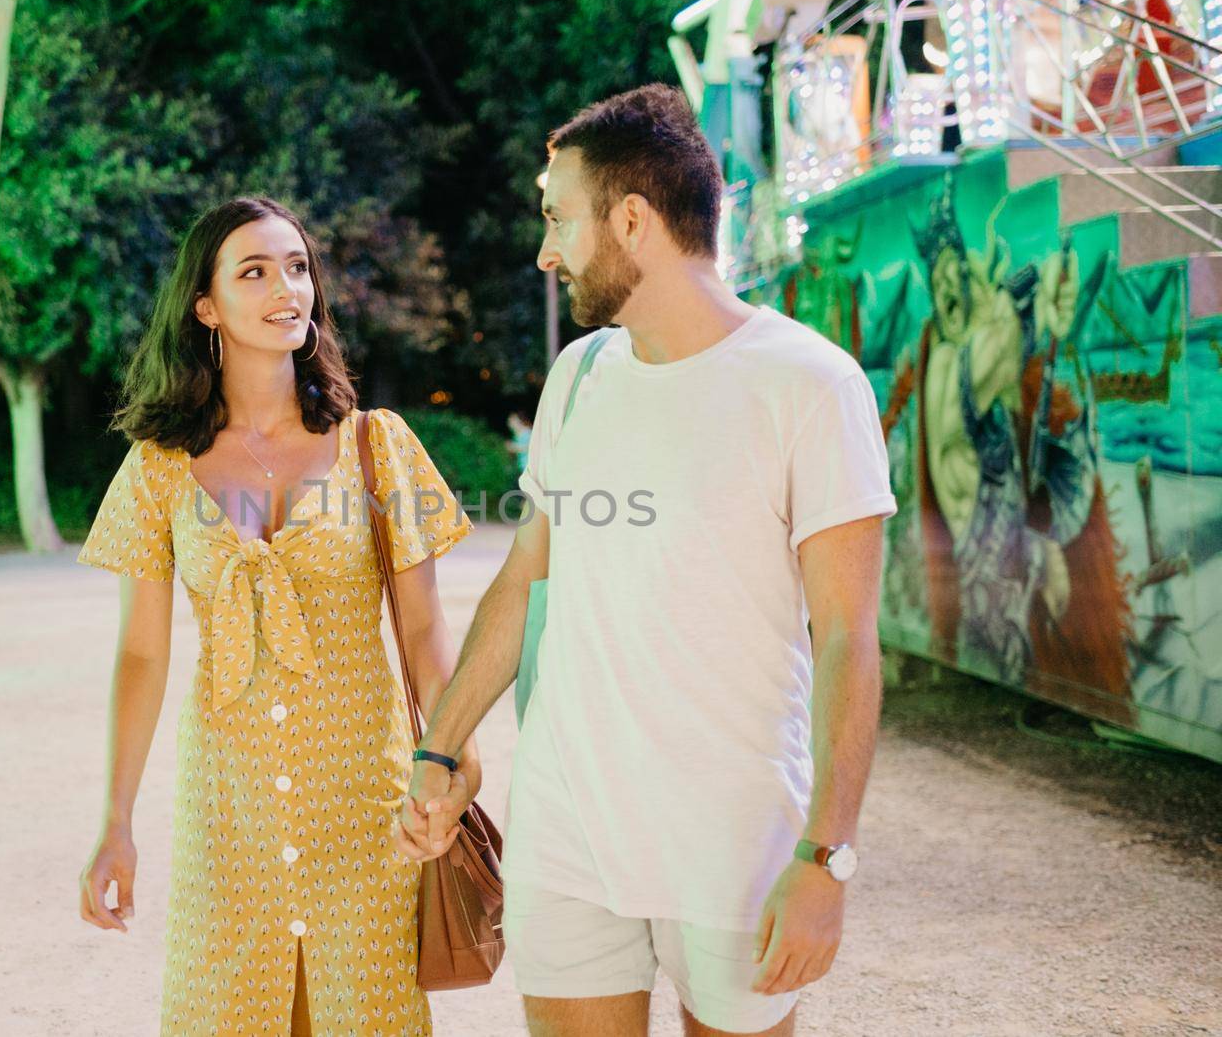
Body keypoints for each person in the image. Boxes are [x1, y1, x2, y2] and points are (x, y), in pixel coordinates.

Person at [395, 85, 896, 1036]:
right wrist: (439, 747)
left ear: (632, 219)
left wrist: (826, 858)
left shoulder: (811, 385)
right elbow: (523, 581)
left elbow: (846, 638)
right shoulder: (579, 377)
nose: (546, 252)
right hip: (568, 832)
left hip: (734, 839)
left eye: (558, 219)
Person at [76, 197, 480, 1036]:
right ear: (206, 305)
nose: (285, 287)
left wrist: (452, 762)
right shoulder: (157, 469)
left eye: (297, 267)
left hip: (365, 804)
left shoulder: (380, 445)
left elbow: (424, 630)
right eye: (254, 272)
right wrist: (115, 822)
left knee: (366, 1016)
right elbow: (142, 658)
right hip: (228, 807)